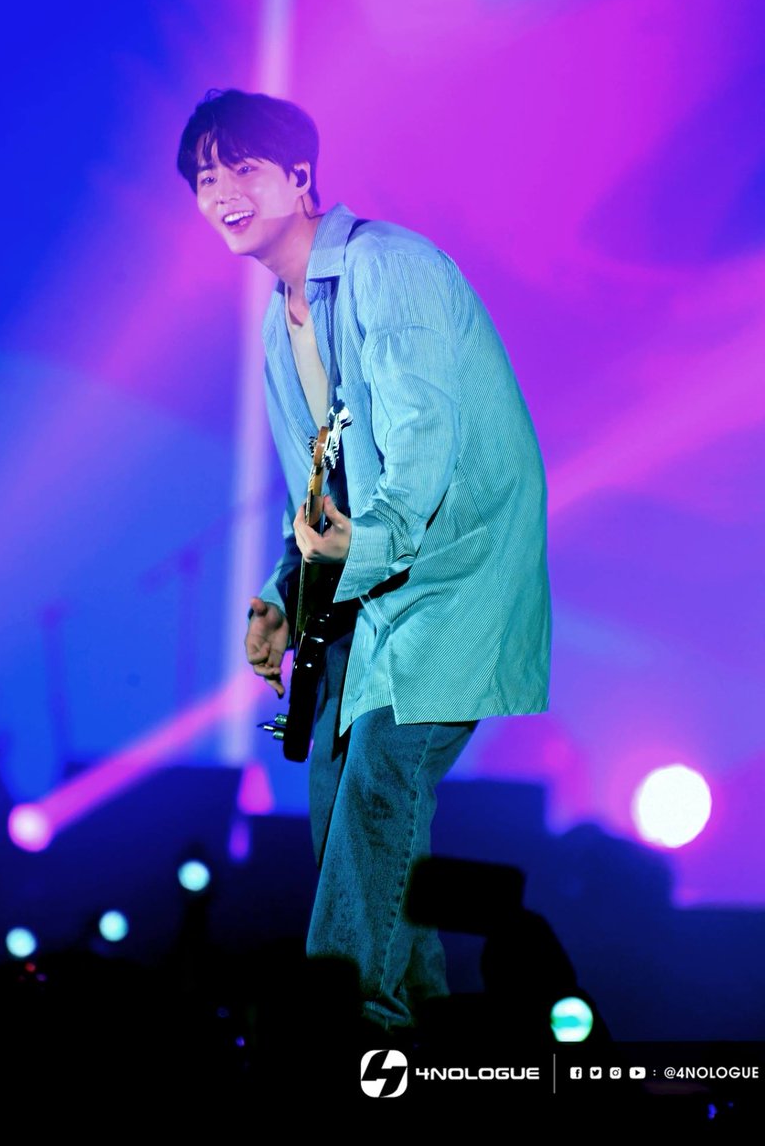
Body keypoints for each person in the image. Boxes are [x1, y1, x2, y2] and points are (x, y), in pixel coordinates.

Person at [177, 88, 551, 1034]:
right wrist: (281, 594)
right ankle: (422, 1038)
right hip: (366, 592)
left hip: (451, 580)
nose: (221, 193)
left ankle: (347, 1028)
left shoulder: (390, 265)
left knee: (379, 793)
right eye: (206, 178)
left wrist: (360, 550)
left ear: (300, 175)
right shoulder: (280, 322)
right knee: (340, 815)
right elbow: (321, 487)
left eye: (242, 168)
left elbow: (421, 443)